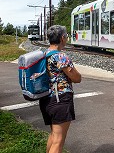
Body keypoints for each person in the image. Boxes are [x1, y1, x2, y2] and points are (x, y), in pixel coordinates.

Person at [39, 25, 81, 153]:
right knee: (58, 142)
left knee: (53, 135)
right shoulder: (60, 56)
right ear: (62, 38)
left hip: (46, 99)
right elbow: (76, 78)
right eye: (66, 36)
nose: (67, 38)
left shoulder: (43, 54)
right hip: (60, 100)